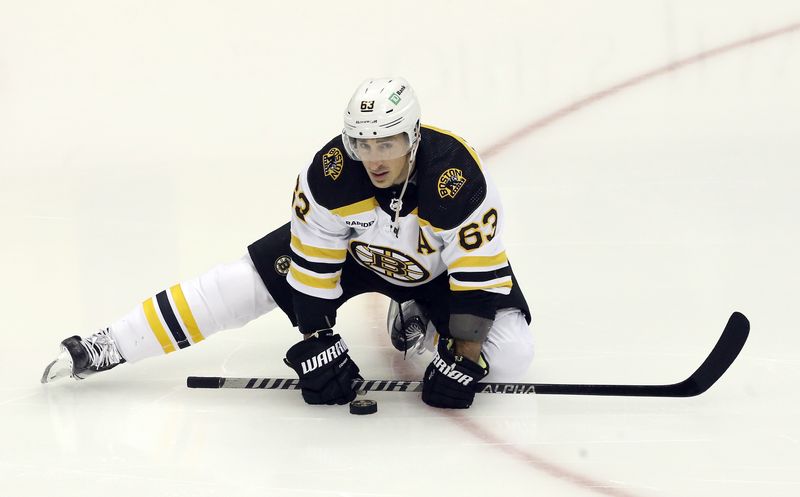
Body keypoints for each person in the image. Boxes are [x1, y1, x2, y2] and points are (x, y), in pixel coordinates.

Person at [41, 77, 534, 409]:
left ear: (412, 138)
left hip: (438, 269)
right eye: (363, 144)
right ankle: (108, 345)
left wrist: (464, 355)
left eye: (387, 143)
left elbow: (478, 272)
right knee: (235, 287)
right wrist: (317, 339)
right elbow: (314, 265)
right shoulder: (331, 175)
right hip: (356, 255)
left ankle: (421, 321)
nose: (375, 159)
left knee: (511, 355)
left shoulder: (454, 176)